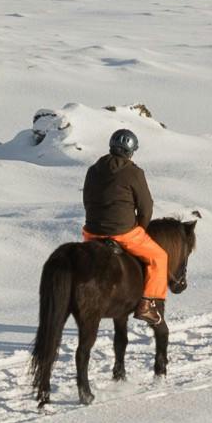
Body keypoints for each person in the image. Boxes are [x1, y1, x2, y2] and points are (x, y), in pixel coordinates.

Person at [82, 126, 169, 304]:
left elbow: (87, 200)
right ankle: (149, 305)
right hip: (123, 233)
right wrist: (140, 230)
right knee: (159, 258)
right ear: (130, 152)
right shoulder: (134, 172)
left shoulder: (92, 170)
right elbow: (146, 207)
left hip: (91, 232)